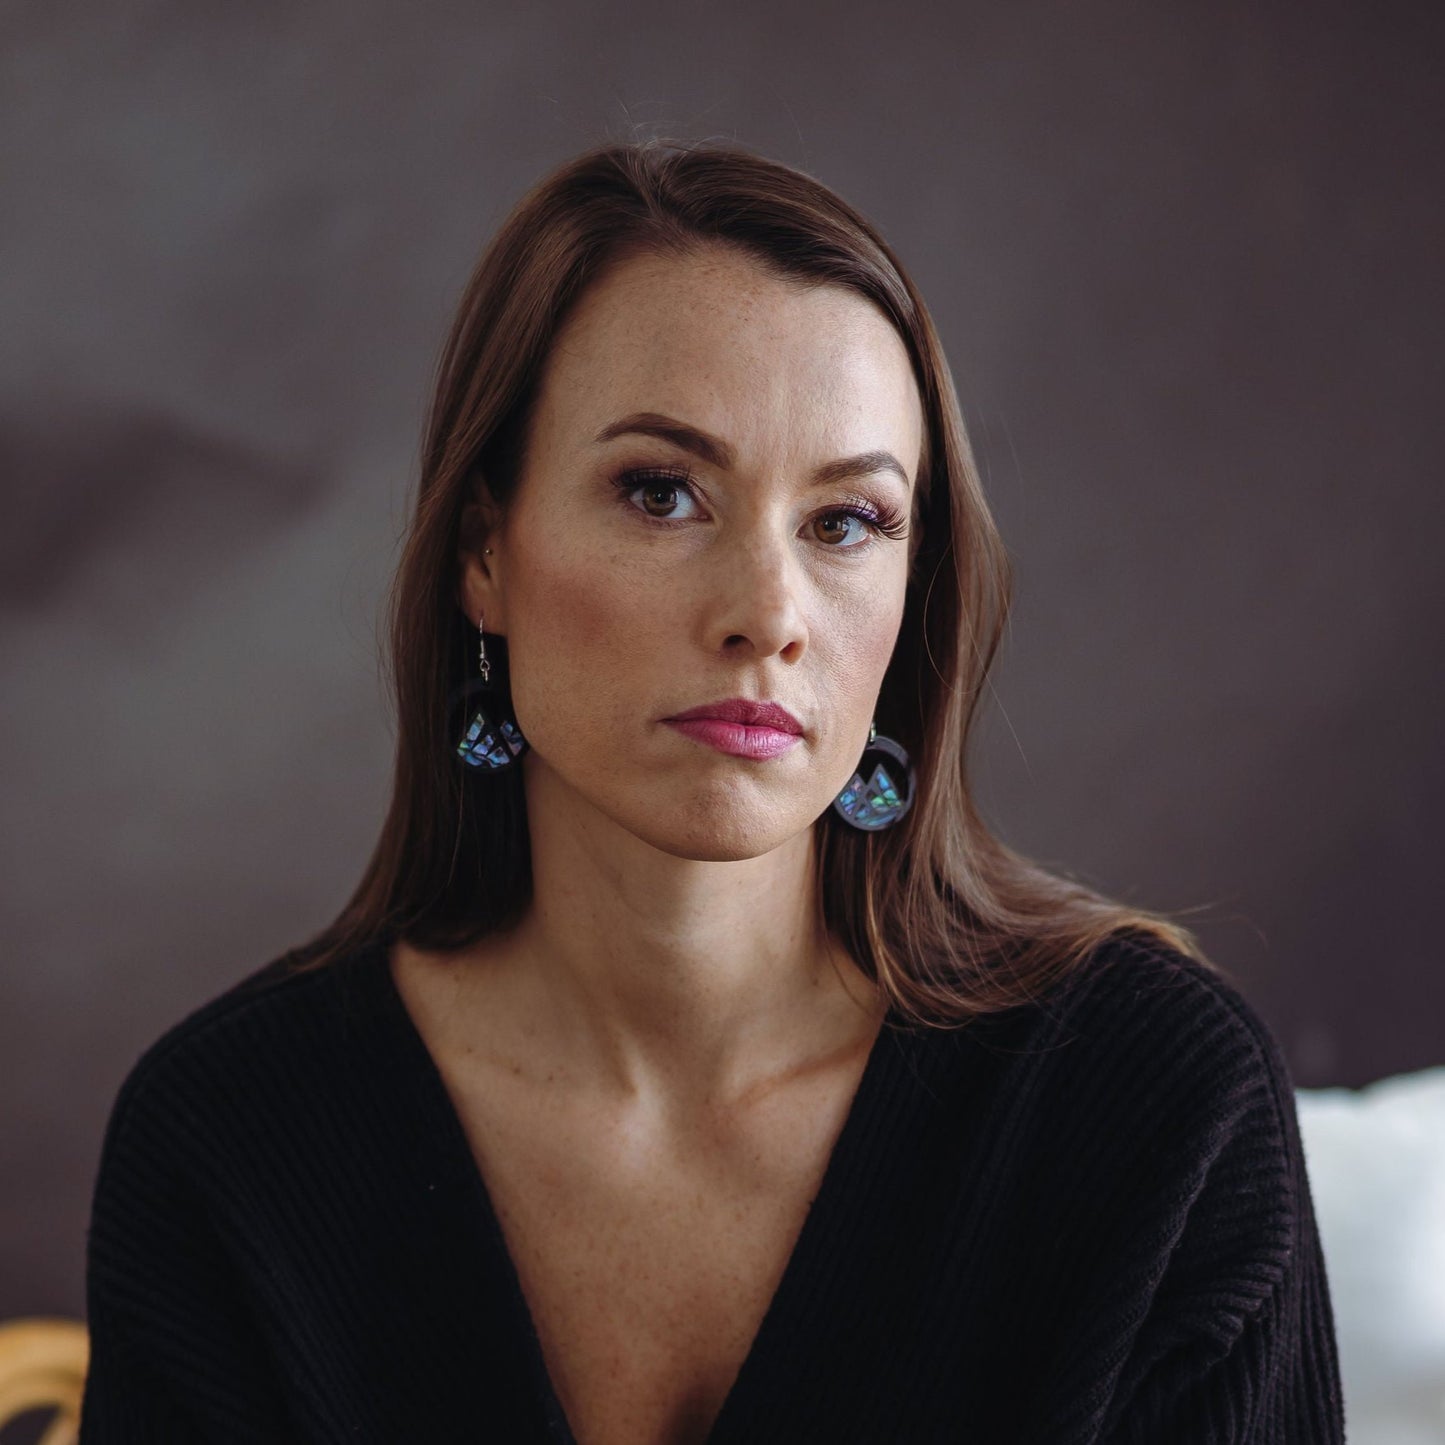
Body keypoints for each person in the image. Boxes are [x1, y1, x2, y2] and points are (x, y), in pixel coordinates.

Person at [78, 138, 1345, 1444]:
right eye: (661, 491)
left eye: (844, 521)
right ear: (484, 551)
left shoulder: (1149, 1109)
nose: (766, 613)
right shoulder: (234, 1143)